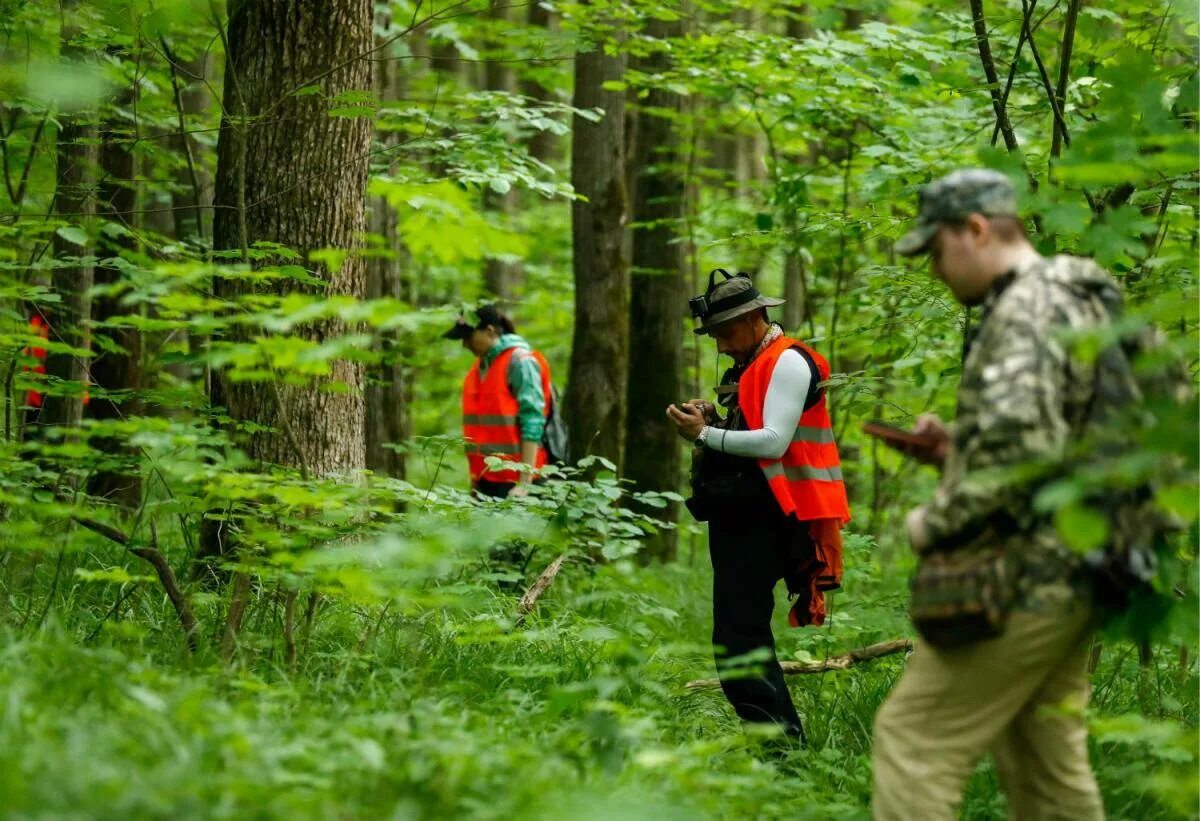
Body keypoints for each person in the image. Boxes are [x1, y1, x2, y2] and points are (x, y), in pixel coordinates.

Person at [871, 168, 1109, 820]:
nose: (935, 272)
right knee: (1045, 762)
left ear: (975, 230)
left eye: (936, 251)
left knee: (913, 740)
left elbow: (1020, 453)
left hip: (1027, 569)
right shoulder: (1074, 292)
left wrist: (932, 521)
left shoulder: (1025, 309)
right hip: (1086, 562)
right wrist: (958, 445)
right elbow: (1055, 435)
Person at [667, 269, 850, 743]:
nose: (720, 345)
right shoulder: (754, 361)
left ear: (754, 317)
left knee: (739, 640)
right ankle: (777, 747)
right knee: (737, 636)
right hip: (743, 514)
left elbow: (773, 442)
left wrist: (703, 434)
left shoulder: (787, 361)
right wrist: (713, 416)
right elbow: (751, 428)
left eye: (724, 332)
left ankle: (781, 750)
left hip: (772, 517)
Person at [444, 305, 552, 499]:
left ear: (489, 331)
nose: (465, 344)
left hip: (518, 482)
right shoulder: (479, 369)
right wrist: (476, 480)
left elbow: (532, 421)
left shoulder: (520, 362)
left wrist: (524, 482)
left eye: (468, 337)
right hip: (487, 481)